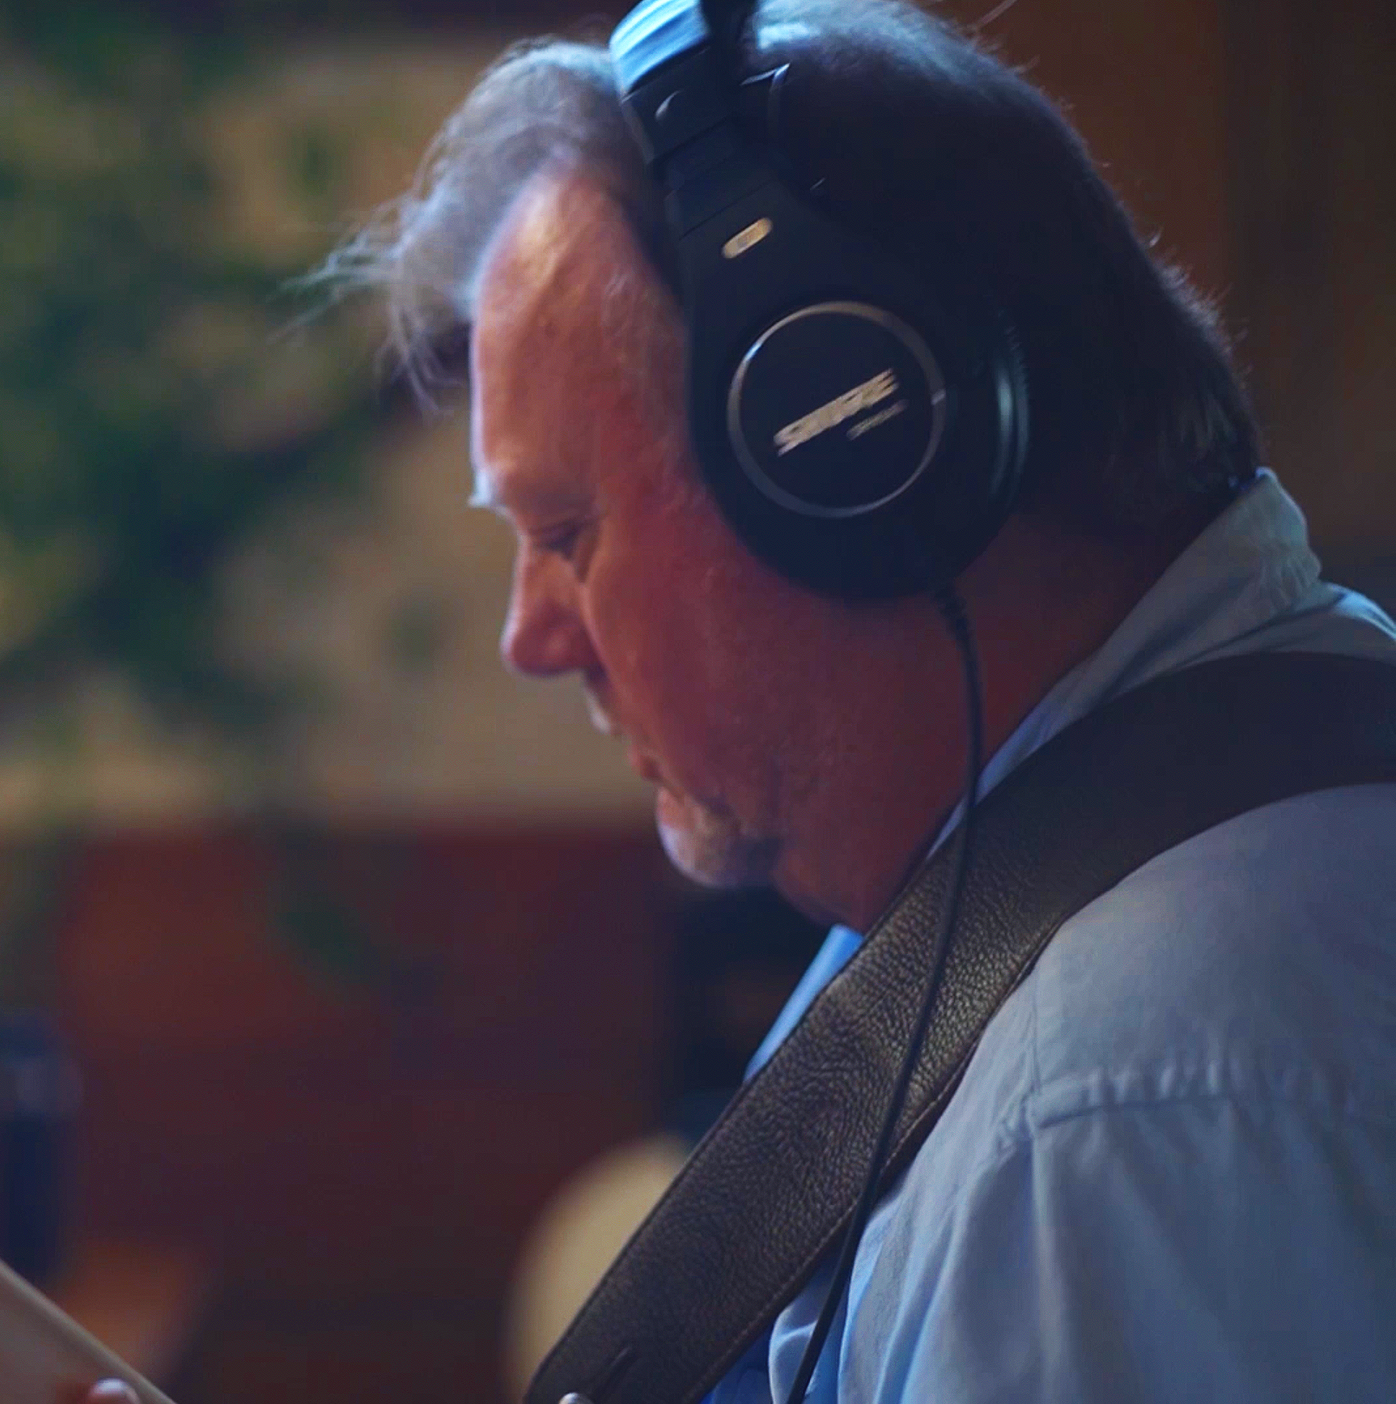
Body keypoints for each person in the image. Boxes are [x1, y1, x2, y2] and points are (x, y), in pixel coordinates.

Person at [313, 1, 1396, 1400]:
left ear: (843, 459)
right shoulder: (1105, 853)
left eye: (568, 530)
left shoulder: (1105, 1118)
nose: (531, 636)